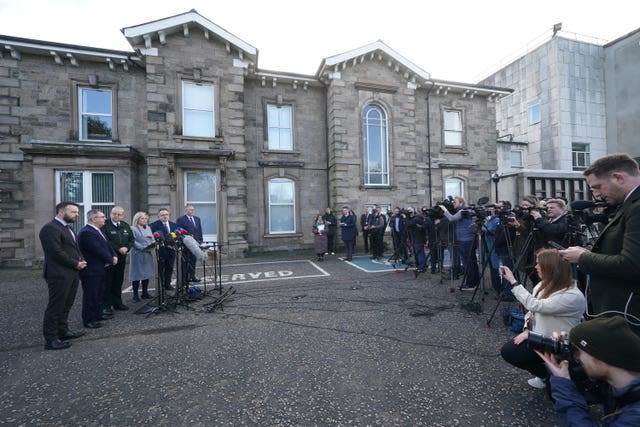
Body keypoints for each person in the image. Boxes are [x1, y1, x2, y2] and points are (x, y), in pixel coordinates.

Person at [559, 153, 640, 335]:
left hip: (628, 315)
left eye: (597, 187)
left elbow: (632, 264)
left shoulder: (636, 207)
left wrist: (583, 257)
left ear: (618, 177)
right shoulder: (629, 205)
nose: (597, 195)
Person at [500, 248, 586, 389]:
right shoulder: (543, 284)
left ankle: (563, 377)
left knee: (557, 397)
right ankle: (547, 375)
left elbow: (535, 305)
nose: (535, 267)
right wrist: (527, 330)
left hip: (560, 345)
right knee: (509, 351)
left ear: (550, 268)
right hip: (541, 339)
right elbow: (531, 312)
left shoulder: (572, 296)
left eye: (539, 264)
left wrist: (513, 282)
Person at [536, 316, 640, 425]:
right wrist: (567, 367)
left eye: (577, 352)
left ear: (600, 359)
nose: (575, 357)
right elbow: (590, 393)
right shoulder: (619, 384)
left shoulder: (634, 418)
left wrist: (563, 385)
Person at [38, 201, 87, 350]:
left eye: (77, 212)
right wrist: (75, 263)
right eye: (73, 212)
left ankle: (63, 331)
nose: (77, 215)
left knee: (67, 304)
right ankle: (51, 339)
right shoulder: (50, 228)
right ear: (61, 212)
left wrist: (80, 259)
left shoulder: (67, 227)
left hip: (71, 272)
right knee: (56, 306)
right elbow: (55, 252)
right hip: (58, 274)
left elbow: (72, 248)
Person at [78, 209, 118, 329]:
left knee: (99, 293)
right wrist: (110, 259)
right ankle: (89, 319)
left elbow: (107, 245)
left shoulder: (98, 230)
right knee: (91, 295)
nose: (104, 218)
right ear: (93, 219)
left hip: (100, 268)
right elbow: (97, 249)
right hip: (91, 270)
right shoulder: (87, 232)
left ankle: (97, 314)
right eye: (102, 217)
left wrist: (114, 255)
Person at [439, 196, 479, 290]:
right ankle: (475, 282)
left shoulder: (462, 211)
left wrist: (445, 210)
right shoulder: (467, 211)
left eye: (455, 202)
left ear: (461, 203)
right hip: (469, 239)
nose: (453, 203)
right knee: (472, 261)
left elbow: (451, 218)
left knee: (467, 262)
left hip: (465, 240)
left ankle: (470, 284)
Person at [101, 206, 134, 315]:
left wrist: (127, 247)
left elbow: (131, 239)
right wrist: (118, 248)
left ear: (122, 215)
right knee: (108, 282)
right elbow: (105, 240)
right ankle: (106, 305)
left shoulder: (125, 225)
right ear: (110, 214)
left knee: (118, 281)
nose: (117, 216)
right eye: (114, 214)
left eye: (119, 214)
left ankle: (117, 303)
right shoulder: (105, 225)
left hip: (122, 257)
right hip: (109, 257)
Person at [129, 211, 156, 302]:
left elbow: (152, 239)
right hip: (138, 254)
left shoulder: (148, 227)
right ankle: (135, 295)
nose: (144, 220)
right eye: (142, 218)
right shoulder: (133, 228)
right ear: (137, 219)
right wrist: (143, 248)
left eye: (145, 218)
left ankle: (145, 293)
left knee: (146, 273)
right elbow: (133, 241)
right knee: (136, 274)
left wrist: (152, 246)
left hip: (148, 253)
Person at [150, 208, 178, 291]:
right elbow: (154, 238)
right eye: (162, 215)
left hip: (172, 250)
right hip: (161, 251)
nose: (165, 216)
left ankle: (167, 284)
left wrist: (174, 244)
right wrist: (166, 245)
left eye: (166, 214)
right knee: (161, 269)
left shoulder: (174, 225)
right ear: (159, 216)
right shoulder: (154, 225)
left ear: (169, 215)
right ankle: (161, 285)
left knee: (170, 268)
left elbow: (176, 236)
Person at [176, 204, 203, 282]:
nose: (192, 211)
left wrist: (200, 241)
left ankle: (192, 276)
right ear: (186, 210)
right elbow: (179, 231)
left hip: (196, 243)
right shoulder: (181, 219)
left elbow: (199, 231)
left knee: (193, 260)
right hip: (186, 244)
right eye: (190, 210)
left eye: (193, 210)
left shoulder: (197, 219)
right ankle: (185, 278)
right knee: (185, 261)